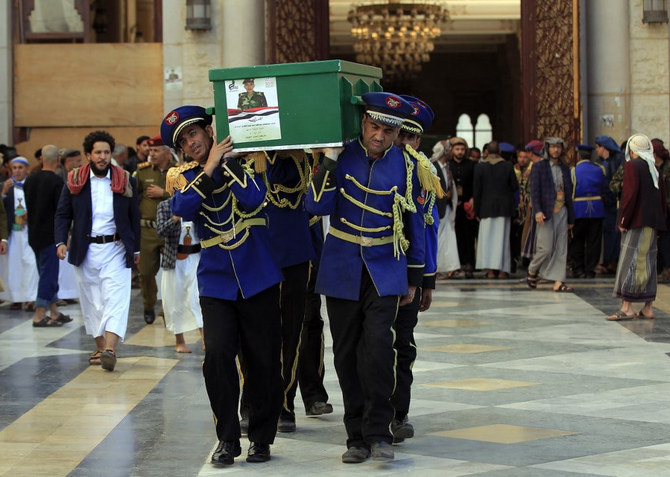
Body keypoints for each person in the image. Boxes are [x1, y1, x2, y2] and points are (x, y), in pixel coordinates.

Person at [306, 92, 437, 464]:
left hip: (386, 266)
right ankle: (356, 437)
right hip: (342, 264)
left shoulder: (410, 166)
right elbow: (314, 206)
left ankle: (380, 432)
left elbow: (415, 222)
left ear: (398, 133)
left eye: (388, 130)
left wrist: (416, 277)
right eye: (375, 127)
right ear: (363, 124)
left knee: (379, 348)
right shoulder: (339, 155)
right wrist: (327, 161)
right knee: (346, 353)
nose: (380, 136)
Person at [162, 105, 282, 465]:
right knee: (216, 356)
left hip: (258, 276)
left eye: (194, 133)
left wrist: (224, 163)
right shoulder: (187, 177)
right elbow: (182, 207)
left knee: (263, 362)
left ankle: (261, 437)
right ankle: (228, 438)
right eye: (184, 141)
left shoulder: (245, 164)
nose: (190, 142)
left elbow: (253, 198)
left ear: (210, 132)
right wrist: (208, 167)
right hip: (216, 282)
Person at [55, 130, 141, 371]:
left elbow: (135, 216)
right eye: (98, 152)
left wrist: (137, 249)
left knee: (116, 299)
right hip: (86, 249)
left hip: (116, 247)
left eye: (106, 152)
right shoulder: (75, 181)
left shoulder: (125, 179)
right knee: (92, 302)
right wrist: (61, 241)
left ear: (111, 154)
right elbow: (63, 214)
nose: (103, 156)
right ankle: (101, 347)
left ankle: (111, 349)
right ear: (88, 155)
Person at [390, 94, 441, 444]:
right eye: (401, 136)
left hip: (410, 271)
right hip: (377, 270)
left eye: (412, 138)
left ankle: (399, 413)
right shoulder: (380, 165)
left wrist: (427, 280)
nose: (405, 143)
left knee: (403, 345)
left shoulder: (424, 172)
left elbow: (428, 227)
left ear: (419, 141)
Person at [607, 134, 667, 320]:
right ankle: (648, 307)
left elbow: (630, 196)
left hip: (636, 222)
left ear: (632, 150)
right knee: (648, 263)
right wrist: (660, 224)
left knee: (630, 261)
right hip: (653, 223)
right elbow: (662, 200)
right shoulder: (655, 169)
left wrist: (623, 220)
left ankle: (627, 307)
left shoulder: (632, 166)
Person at [23, 145, 70, 327]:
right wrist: (64, 236)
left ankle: (55, 312)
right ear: (58, 159)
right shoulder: (57, 182)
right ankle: (39, 314)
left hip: (34, 234)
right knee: (48, 275)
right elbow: (61, 211)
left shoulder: (30, 180)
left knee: (45, 272)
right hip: (51, 235)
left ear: (41, 158)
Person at [135, 135, 175, 324]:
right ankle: (149, 305)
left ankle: (168, 308)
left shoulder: (177, 171)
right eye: (150, 151)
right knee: (146, 272)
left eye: (156, 150)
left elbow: (186, 192)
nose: (151, 154)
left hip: (170, 229)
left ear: (167, 153)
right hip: (147, 231)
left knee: (170, 272)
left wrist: (164, 193)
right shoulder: (141, 172)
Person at [526, 137, 575, 292]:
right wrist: (538, 211)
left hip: (562, 211)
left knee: (562, 247)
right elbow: (534, 191)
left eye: (558, 147)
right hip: (546, 211)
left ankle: (559, 281)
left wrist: (571, 217)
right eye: (553, 147)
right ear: (547, 149)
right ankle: (533, 270)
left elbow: (569, 193)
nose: (556, 150)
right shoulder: (539, 167)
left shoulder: (565, 168)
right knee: (545, 247)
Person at [155, 198, 203, 353]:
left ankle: (206, 339)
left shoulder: (198, 202)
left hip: (196, 258)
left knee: (198, 298)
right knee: (175, 301)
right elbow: (160, 231)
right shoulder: (165, 205)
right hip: (174, 260)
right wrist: (174, 218)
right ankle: (179, 341)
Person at [473, 141, 519, 279]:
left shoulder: (480, 167)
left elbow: (477, 191)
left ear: (487, 152)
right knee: (502, 240)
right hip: (504, 208)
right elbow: (514, 186)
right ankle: (503, 271)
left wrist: (476, 210)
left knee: (487, 240)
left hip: (486, 208)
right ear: (499, 152)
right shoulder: (508, 166)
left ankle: (491, 271)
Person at [0, 156, 38, 311]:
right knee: (13, 265)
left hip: (29, 231)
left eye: (20, 168)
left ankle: (30, 298)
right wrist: (3, 193)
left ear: (26, 169)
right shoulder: (6, 186)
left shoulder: (32, 185)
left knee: (30, 264)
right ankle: (15, 297)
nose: (17, 171)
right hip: (13, 233)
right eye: (14, 168)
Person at [569, 145, 607, 279]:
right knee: (594, 241)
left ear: (578, 156)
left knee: (578, 240)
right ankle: (591, 269)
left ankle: (579, 269)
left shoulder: (573, 171)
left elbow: (571, 192)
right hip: (597, 208)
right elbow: (604, 188)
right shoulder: (600, 169)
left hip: (579, 209)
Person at [595, 135, 625, 274]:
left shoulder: (618, 160)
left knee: (615, 232)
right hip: (606, 203)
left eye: (598, 147)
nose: (597, 150)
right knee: (608, 232)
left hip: (615, 202)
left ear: (604, 147)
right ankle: (608, 260)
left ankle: (613, 260)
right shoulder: (602, 161)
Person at [448, 136, 477, 278]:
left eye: (462, 149)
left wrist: (473, 198)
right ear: (452, 150)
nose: (460, 152)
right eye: (457, 149)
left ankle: (469, 264)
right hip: (453, 205)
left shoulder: (471, 165)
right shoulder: (448, 165)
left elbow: (476, 183)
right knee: (456, 235)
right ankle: (456, 265)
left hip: (467, 205)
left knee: (469, 235)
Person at [432, 140, 460, 278]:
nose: (451, 151)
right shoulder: (433, 167)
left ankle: (450, 267)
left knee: (449, 239)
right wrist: (444, 195)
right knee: (438, 240)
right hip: (437, 209)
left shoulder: (447, 167)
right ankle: (436, 268)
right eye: (449, 149)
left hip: (447, 209)